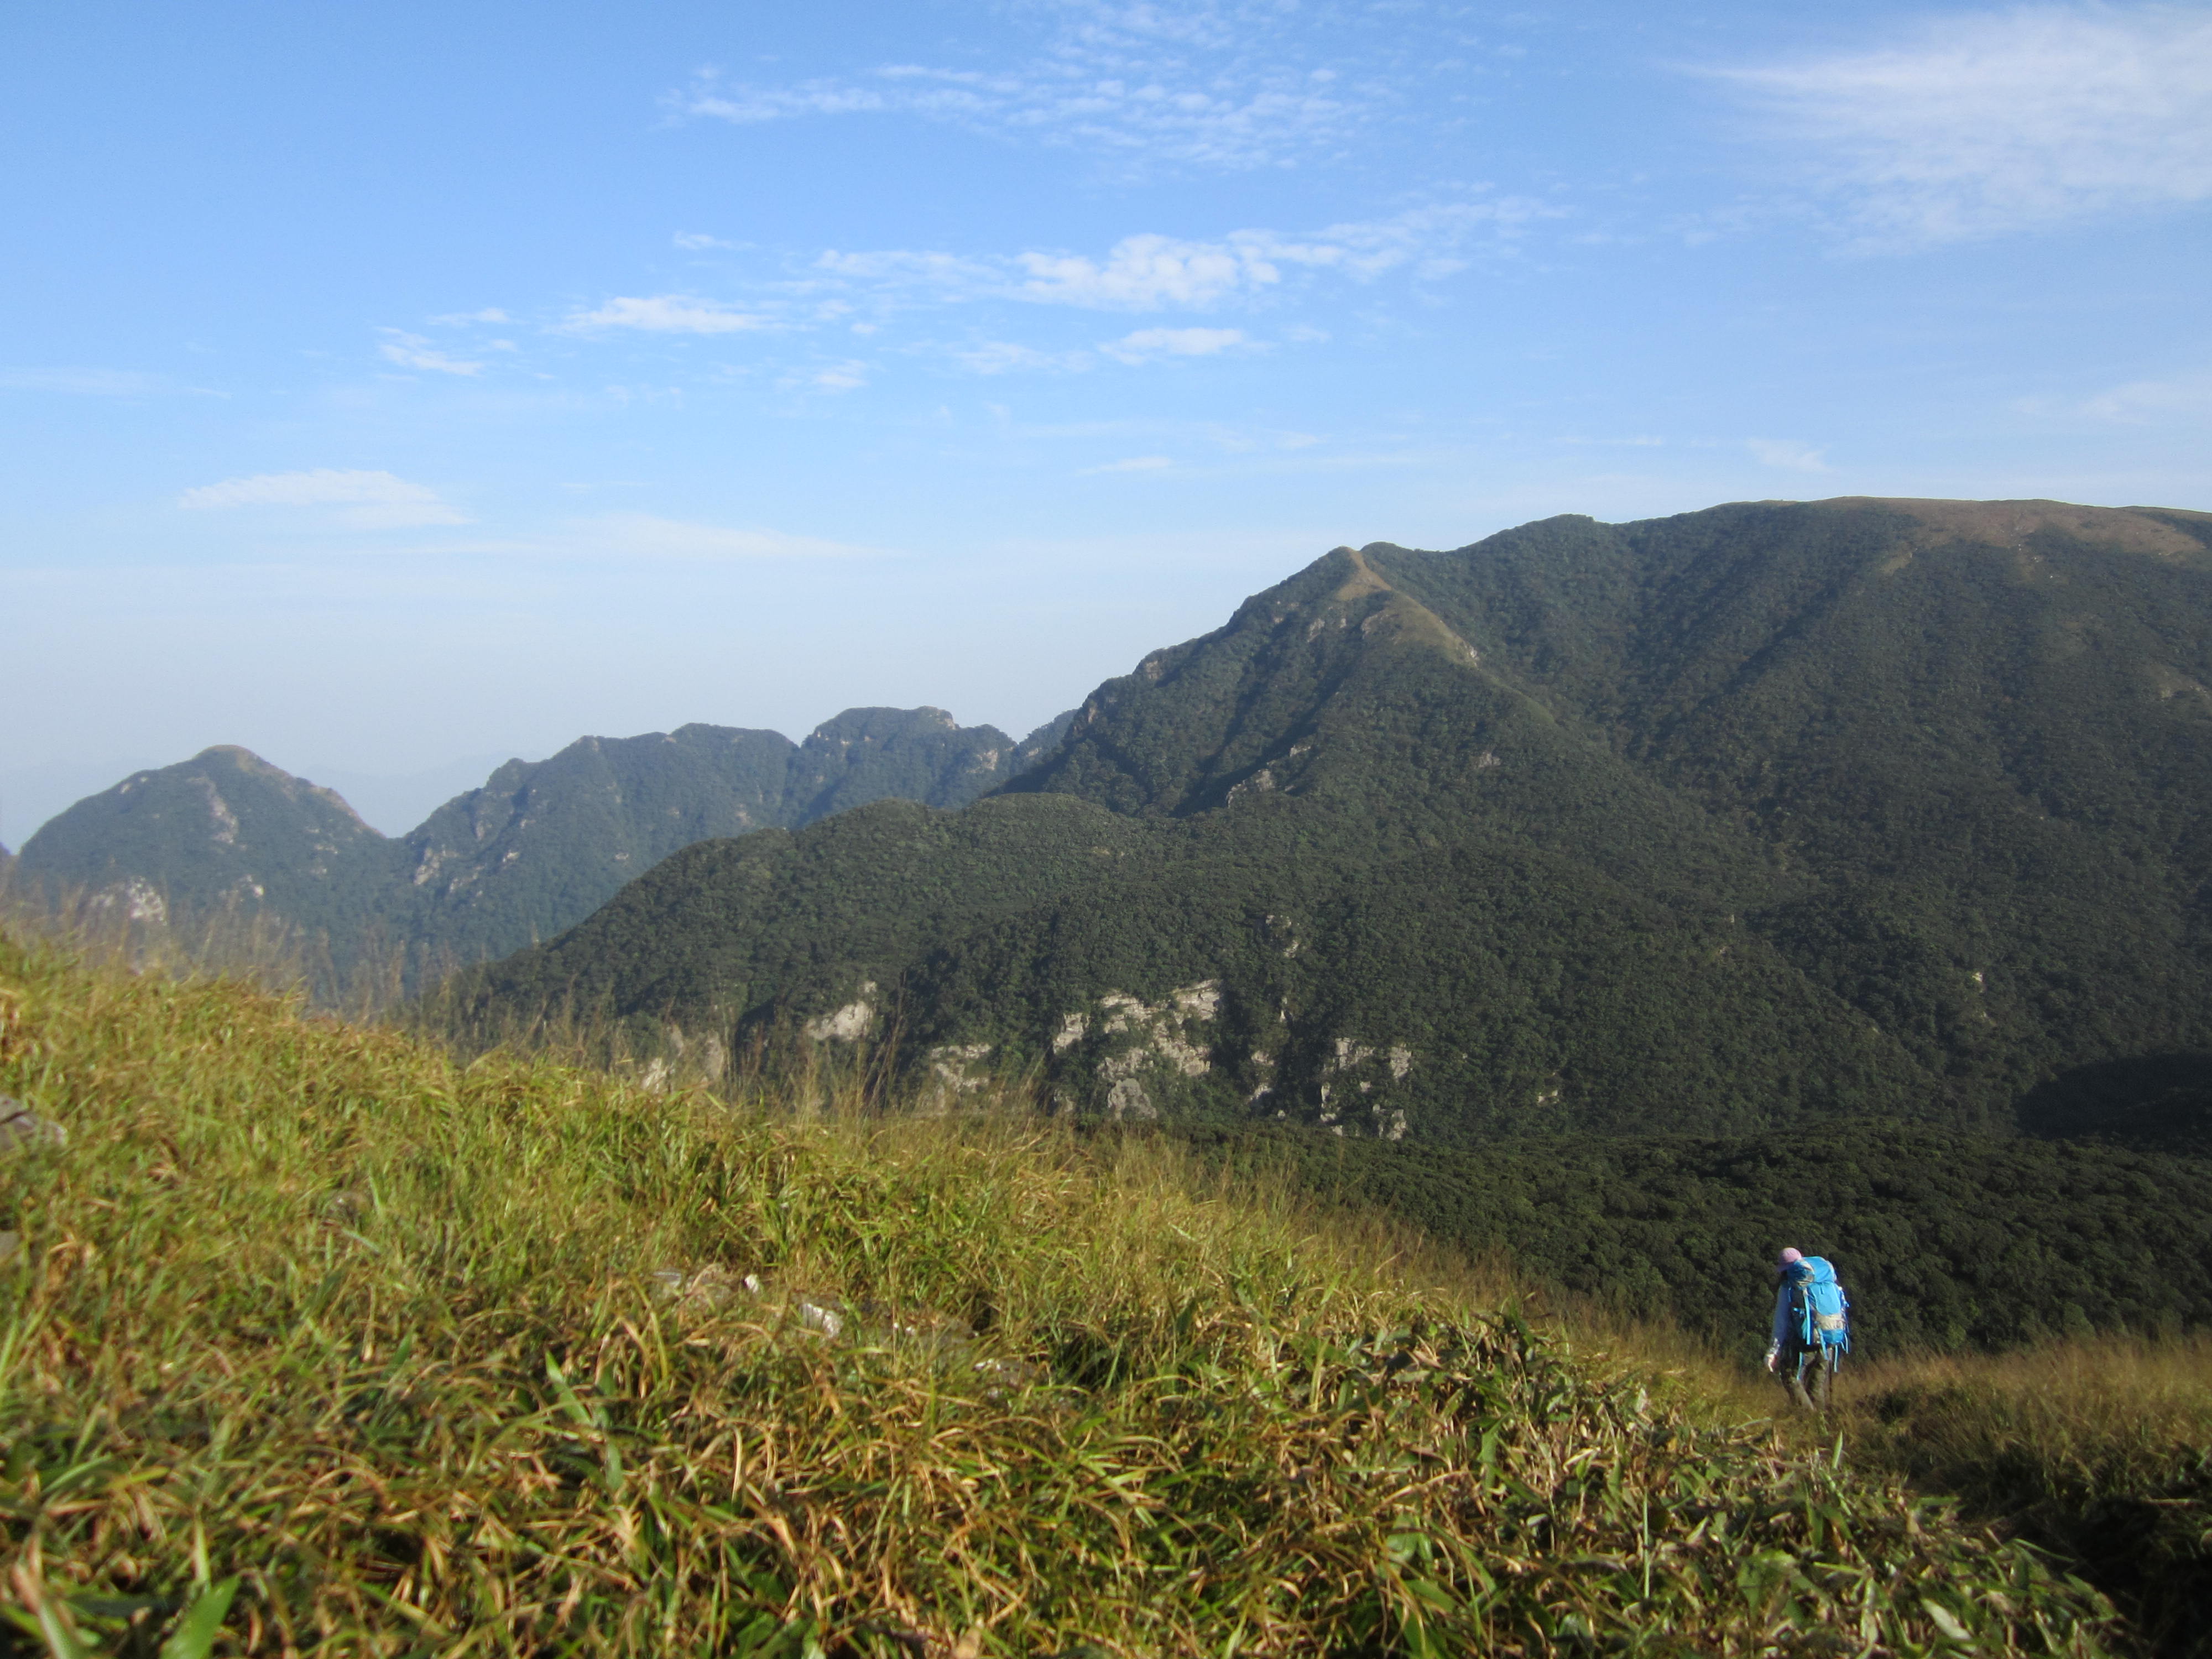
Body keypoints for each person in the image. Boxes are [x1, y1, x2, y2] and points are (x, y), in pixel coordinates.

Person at [1765, 1246, 1850, 1411]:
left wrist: (1773, 1352)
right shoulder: (1826, 1280)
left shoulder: (1789, 1286)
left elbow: (1781, 1323)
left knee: (1789, 1376)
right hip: (1830, 1341)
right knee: (1816, 1386)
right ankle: (1822, 1426)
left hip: (1805, 1343)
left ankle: (1808, 1418)